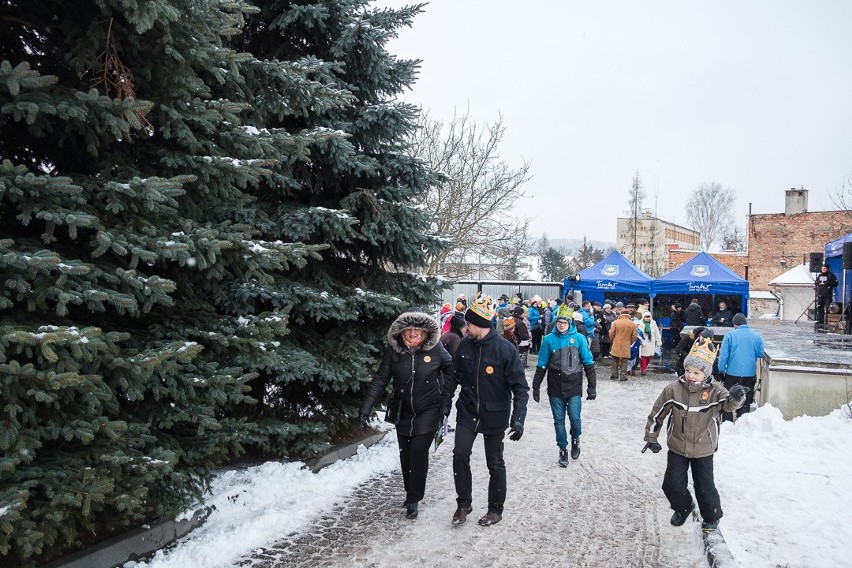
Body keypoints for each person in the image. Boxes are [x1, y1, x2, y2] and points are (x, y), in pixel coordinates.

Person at [643, 335, 748, 532]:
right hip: (678, 445)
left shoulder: (716, 391)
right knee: (672, 484)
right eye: (688, 370)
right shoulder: (673, 390)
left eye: (697, 372)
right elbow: (657, 413)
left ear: (706, 374)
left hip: (703, 447)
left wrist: (737, 397)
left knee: (705, 486)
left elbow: (729, 405)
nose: (691, 376)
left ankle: (711, 517)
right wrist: (651, 437)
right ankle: (683, 507)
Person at [441, 295, 529, 527]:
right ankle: (463, 504)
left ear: (481, 324)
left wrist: (518, 420)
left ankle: (495, 509)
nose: (466, 328)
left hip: (495, 414)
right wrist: (444, 408)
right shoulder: (464, 346)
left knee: (495, 462)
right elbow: (452, 379)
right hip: (468, 411)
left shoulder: (505, 350)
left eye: (469, 324)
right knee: (460, 454)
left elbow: (520, 388)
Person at [359, 310, 454, 520]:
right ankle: (410, 490)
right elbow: (380, 379)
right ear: (401, 333)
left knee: (418, 453)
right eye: (408, 330)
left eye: (417, 330)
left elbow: (452, 369)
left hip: (429, 409)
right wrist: (366, 407)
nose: (413, 334)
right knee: (405, 454)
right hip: (403, 411)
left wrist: (445, 394)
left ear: (425, 332)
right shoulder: (394, 352)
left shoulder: (436, 349)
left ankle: (414, 498)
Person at [532, 312, 597, 467]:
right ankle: (562, 448)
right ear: (556, 323)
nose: (561, 325)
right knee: (558, 421)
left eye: (565, 323)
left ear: (570, 324)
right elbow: (542, 364)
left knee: (575, 418)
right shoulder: (548, 340)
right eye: (559, 322)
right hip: (555, 386)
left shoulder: (579, 339)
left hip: (574, 385)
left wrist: (592, 387)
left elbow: (588, 363)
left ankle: (575, 438)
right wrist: (536, 386)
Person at [716, 313, 765, 422]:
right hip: (749, 373)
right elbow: (761, 354)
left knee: (728, 396)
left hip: (732, 373)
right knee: (745, 398)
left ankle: (727, 421)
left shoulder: (729, 336)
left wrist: (721, 370)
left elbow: (724, 356)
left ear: (734, 324)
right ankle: (743, 420)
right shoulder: (757, 336)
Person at [609, 307, 638, 381]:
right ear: (628, 315)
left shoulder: (616, 322)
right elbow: (635, 336)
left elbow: (611, 333)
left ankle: (614, 375)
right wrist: (630, 342)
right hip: (626, 344)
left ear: (621, 314)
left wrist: (613, 340)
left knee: (615, 359)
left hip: (616, 343)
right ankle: (623, 376)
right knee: (625, 361)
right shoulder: (632, 324)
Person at [638, 311, 662, 376]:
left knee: (649, 356)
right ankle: (643, 369)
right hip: (643, 342)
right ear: (643, 317)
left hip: (651, 342)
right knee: (643, 356)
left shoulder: (653, 323)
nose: (647, 318)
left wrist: (658, 341)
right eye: (646, 317)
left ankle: (644, 367)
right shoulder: (639, 324)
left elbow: (657, 333)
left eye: (648, 317)